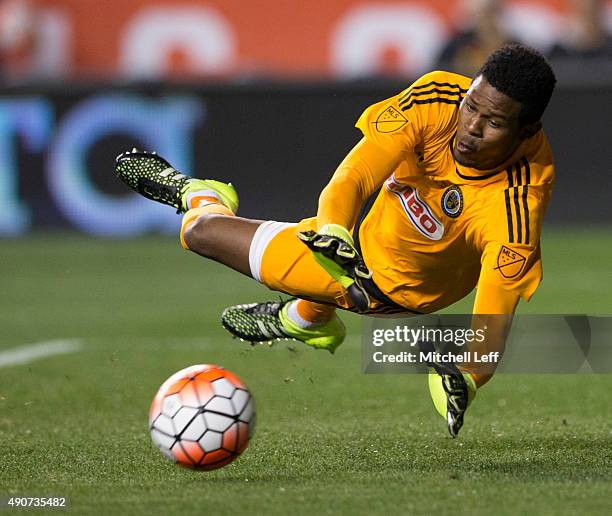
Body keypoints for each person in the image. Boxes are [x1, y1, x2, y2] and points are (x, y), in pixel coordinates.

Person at [116, 44, 557, 438]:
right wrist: (333, 229)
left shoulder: (516, 206)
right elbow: (356, 174)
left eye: (494, 122)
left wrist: (464, 378)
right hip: (356, 240)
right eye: (471, 107)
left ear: (527, 130)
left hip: (391, 288)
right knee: (319, 251)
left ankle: (202, 197)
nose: (472, 127)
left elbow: (489, 335)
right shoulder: (437, 98)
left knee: (200, 232)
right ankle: (309, 317)